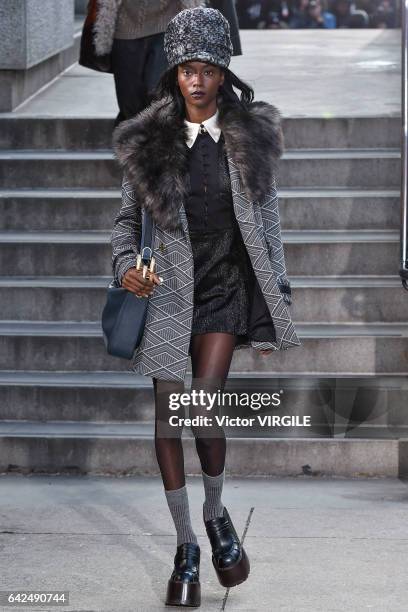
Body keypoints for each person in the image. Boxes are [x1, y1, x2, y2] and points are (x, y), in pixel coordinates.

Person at [110, 7, 301, 608]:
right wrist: (126, 270)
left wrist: (278, 302)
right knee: (168, 419)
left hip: (223, 289)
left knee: (201, 408)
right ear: (175, 72)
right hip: (167, 291)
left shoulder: (250, 137)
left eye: (207, 70)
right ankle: (187, 545)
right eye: (186, 69)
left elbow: (268, 228)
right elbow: (123, 226)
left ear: (223, 73)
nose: (195, 81)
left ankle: (216, 513)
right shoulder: (147, 141)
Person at [91, 0, 204, 125]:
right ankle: (133, 138)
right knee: (129, 98)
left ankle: (157, 139)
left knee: (158, 91)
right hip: (125, 25)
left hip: (167, 24)